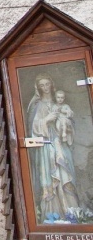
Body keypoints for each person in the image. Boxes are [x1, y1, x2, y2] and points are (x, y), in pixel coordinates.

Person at [26, 73, 79, 222]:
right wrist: (46, 120)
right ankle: (52, 213)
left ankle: (70, 210)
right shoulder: (36, 105)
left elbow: (71, 123)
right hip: (45, 146)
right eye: (41, 85)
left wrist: (66, 123)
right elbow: (32, 128)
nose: (45, 88)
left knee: (64, 174)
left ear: (52, 85)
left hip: (60, 145)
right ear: (38, 88)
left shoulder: (59, 103)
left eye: (47, 84)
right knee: (49, 176)